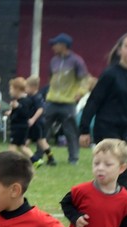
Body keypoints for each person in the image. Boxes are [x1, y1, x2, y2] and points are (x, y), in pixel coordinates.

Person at [79, 32, 127, 227]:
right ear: (120, 49)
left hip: (122, 131)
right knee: (118, 170)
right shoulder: (110, 74)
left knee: (113, 172)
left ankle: (109, 212)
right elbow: (94, 100)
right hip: (105, 127)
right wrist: (84, 129)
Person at [43, 33, 90, 165]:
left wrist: (80, 92)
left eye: (55, 44)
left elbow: (85, 80)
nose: (53, 47)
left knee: (70, 131)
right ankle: (39, 156)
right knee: (43, 130)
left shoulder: (76, 61)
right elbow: (50, 78)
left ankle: (73, 159)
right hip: (52, 101)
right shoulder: (53, 61)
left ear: (63, 45)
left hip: (68, 103)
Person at [25, 76, 56, 167]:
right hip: (37, 123)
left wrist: (33, 119)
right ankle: (50, 158)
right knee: (41, 141)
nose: (25, 89)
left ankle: (33, 159)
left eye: (27, 87)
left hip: (37, 123)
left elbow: (40, 109)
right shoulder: (31, 97)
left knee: (32, 141)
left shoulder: (37, 97)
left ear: (33, 87)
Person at [6, 76, 38, 158]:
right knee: (22, 147)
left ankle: (10, 162)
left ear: (17, 89)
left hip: (19, 127)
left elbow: (25, 113)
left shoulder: (25, 101)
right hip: (17, 126)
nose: (10, 91)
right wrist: (11, 112)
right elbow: (18, 113)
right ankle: (35, 160)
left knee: (12, 147)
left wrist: (18, 107)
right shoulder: (18, 101)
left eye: (11, 89)